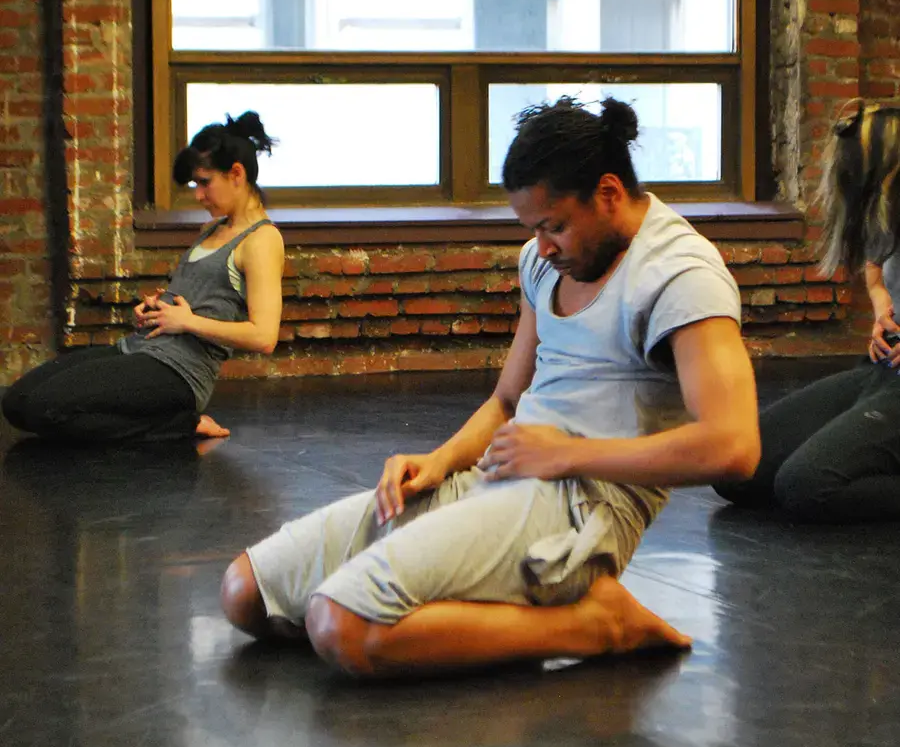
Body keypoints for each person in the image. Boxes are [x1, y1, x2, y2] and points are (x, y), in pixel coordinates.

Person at [220, 96, 760, 676]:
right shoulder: (543, 260)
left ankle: (597, 624)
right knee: (245, 593)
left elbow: (734, 447)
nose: (543, 248)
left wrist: (566, 455)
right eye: (533, 229)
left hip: (584, 508)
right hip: (501, 475)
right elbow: (506, 400)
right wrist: (441, 459)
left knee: (340, 627)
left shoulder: (681, 274)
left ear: (607, 193)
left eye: (554, 226)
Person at [2, 111, 285, 447]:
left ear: (236, 173)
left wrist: (188, 322)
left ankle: (180, 424)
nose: (198, 195)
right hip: (141, 348)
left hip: (178, 372)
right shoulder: (212, 228)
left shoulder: (262, 240)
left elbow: (264, 336)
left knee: (43, 409)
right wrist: (156, 308)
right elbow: (198, 300)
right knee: (16, 402)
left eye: (204, 182)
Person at [715, 102, 900, 522]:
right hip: (884, 372)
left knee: (808, 487)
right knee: (735, 469)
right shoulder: (890, 213)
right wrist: (879, 303)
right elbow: (875, 266)